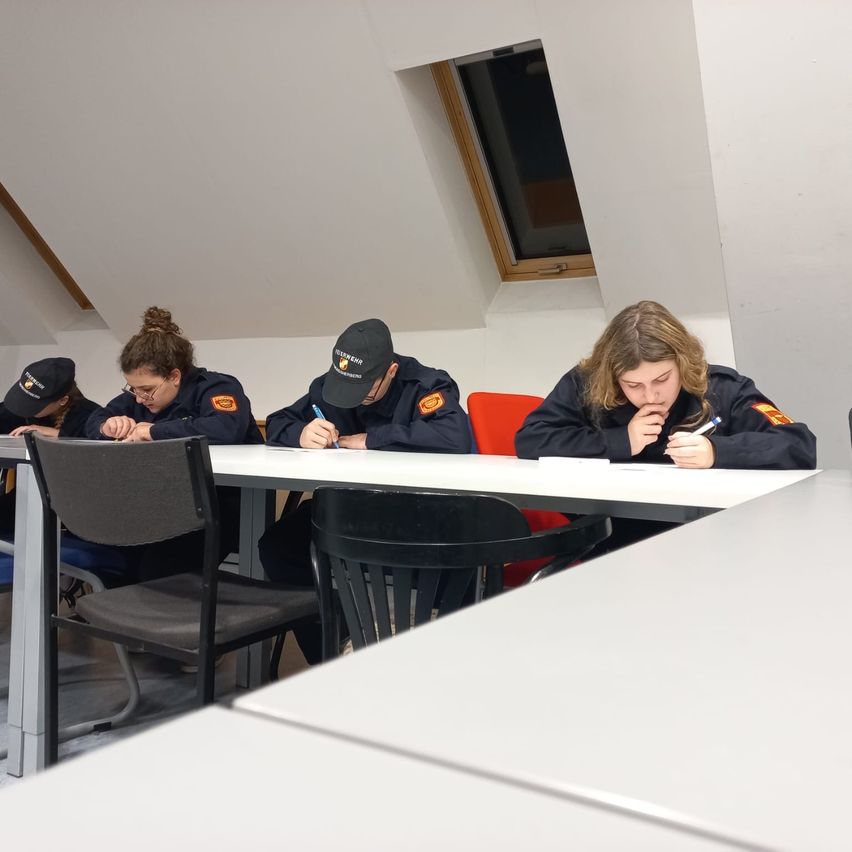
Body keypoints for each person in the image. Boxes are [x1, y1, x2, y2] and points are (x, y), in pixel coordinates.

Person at [515, 300, 817, 550]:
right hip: (615, 543)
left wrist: (717, 451)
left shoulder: (720, 387)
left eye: (662, 380)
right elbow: (532, 438)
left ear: (682, 362)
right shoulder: (587, 383)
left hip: (712, 541)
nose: (650, 396)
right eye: (633, 385)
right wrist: (621, 441)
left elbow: (799, 443)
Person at [260, 317, 471, 663]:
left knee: (457, 557)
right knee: (278, 547)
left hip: (418, 516)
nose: (354, 398)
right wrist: (300, 434)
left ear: (390, 370)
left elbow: (454, 437)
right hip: (351, 510)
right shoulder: (331, 386)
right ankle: (333, 649)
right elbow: (278, 421)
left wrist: (371, 440)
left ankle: (441, 663)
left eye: (365, 387)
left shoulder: (425, 384)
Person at [86, 306, 263, 579]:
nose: (139, 399)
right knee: (112, 558)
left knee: (155, 569)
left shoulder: (216, 388)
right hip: (164, 507)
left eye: (146, 390)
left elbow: (225, 428)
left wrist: (154, 432)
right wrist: (105, 427)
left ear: (175, 376)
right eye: (132, 389)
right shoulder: (140, 397)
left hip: (224, 508)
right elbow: (94, 418)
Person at [0, 357, 100, 533]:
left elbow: (101, 449)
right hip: (27, 494)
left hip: (66, 506)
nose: (23, 408)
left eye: (31, 404)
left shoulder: (89, 416)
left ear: (62, 401)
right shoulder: (19, 411)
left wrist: (56, 435)